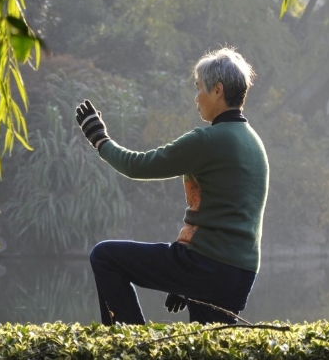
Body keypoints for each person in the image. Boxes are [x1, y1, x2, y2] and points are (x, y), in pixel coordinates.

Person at [75, 47, 269, 325]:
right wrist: (182, 282)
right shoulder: (254, 143)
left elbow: (138, 166)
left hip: (206, 266)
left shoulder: (208, 141)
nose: (196, 97)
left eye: (199, 87)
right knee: (207, 346)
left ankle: (136, 345)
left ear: (217, 90)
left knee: (105, 256)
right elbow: (228, 218)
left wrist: (100, 140)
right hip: (240, 273)